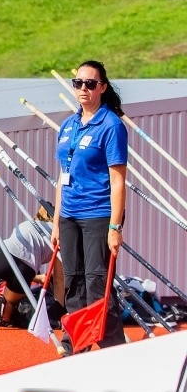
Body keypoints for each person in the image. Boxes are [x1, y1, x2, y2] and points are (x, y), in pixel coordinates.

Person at [51, 60, 127, 354]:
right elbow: (62, 176)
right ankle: (76, 346)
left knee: (97, 284)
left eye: (90, 84)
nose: (83, 88)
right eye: (78, 83)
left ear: (102, 88)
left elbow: (118, 181)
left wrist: (114, 227)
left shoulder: (111, 126)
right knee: (73, 282)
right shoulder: (68, 125)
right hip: (69, 215)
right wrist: (56, 223)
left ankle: (113, 350)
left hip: (98, 214)